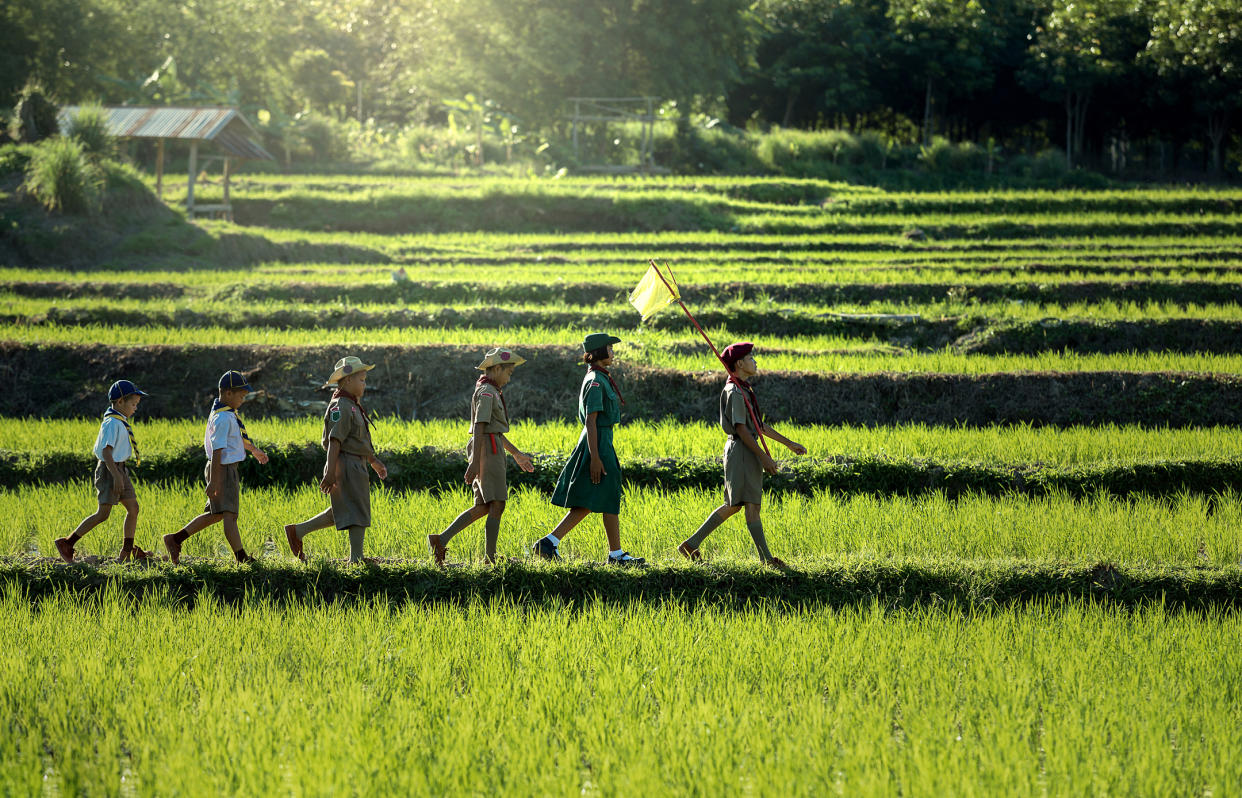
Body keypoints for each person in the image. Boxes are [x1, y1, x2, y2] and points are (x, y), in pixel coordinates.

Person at [678, 342, 806, 568]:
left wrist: (789, 444)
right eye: (750, 358)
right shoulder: (735, 392)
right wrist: (764, 457)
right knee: (746, 504)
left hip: (745, 449)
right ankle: (766, 559)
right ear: (739, 363)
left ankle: (691, 544)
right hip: (743, 450)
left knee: (738, 504)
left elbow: (759, 426)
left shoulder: (744, 389)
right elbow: (741, 429)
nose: (755, 361)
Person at [532, 333, 644, 566]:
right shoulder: (595, 380)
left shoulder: (600, 377)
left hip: (601, 441)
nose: (613, 352)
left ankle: (549, 543)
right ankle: (615, 555)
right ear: (596, 353)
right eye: (609, 348)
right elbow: (590, 421)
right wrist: (595, 458)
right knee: (608, 494)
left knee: (594, 498)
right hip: (597, 442)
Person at [428, 348, 534, 566]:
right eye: (509, 373)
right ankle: (490, 558)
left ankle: (441, 539)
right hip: (486, 448)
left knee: (486, 505)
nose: (509, 377)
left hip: (490, 445)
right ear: (497, 368)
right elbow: (480, 427)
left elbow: (493, 430)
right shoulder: (486, 391)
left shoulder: (490, 390)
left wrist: (516, 454)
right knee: (497, 504)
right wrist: (475, 461)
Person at [283, 356, 387, 563]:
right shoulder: (341, 406)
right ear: (347, 380)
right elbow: (335, 441)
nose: (364, 385)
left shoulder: (352, 405)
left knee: (345, 507)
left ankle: (298, 531)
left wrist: (373, 461)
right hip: (346, 464)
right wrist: (330, 473)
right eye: (362, 380)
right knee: (357, 508)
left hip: (356, 463)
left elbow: (357, 440)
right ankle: (356, 558)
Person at [163, 370, 269, 565]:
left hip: (222, 468)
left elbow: (234, 440)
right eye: (241, 396)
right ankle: (241, 557)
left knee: (215, 514)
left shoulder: (226, 414)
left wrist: (254, 450)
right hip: (223, 469)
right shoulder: (222, 418)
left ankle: (175, 539)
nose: (243, 400)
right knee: (230, 515)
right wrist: (214, 481)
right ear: (228, 393)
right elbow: (218, 451)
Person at [54, 379, 153, 563]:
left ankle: (127, 550)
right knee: (103, 513)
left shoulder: (120, 421)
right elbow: (106, 451)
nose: (135, 408)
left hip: (120, 469)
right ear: (120, 402)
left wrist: (120, 473)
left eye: (137, 405)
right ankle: (67, 542)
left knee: (133, 508)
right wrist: (115, 475)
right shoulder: (111, 423)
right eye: (133, 404)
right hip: (110, 470)